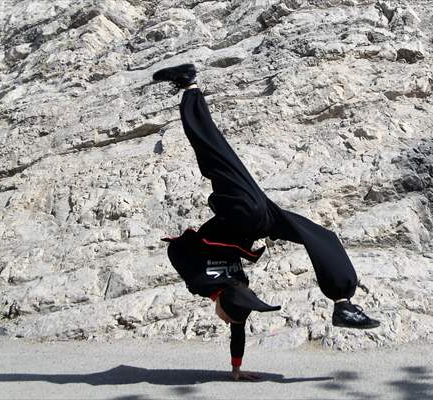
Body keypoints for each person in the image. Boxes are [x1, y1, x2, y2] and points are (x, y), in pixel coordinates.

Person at [154, 64, 380, 381]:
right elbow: (235, 324)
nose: (227, 322)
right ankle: (343, 302)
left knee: (215, 152)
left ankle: (190, 88)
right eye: (230, 319)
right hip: (250, 217)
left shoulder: (210, 283)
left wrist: (235, 369)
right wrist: (236, 368)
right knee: (319, 235)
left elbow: (180, 253)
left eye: (230, 318)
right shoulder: (225, 287)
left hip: (250, 217)